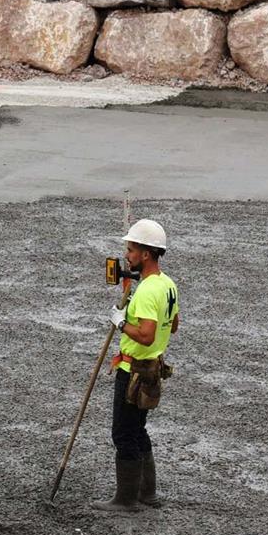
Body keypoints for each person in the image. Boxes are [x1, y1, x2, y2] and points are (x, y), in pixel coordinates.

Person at [97, 218, 179, 514]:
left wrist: (121, 323)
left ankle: (126, 499)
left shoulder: (146, 291)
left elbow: (144, 335)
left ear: (146, 253)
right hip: (152, 370)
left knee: (123, 433)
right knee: (138, 429)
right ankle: (148, 493)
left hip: (133, 369)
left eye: (131, 250)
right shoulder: (167, 285)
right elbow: (174, 325)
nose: (127, 256)